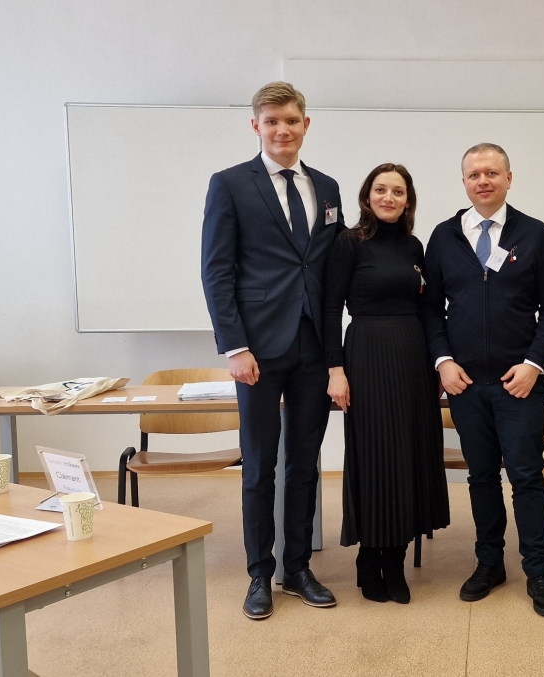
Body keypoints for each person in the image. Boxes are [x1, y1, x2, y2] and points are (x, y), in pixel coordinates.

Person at [201, 81, 345, 620]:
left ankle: (298, 568)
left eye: (291, 120)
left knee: (304, 464)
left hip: (312, 345)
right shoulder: (230, 184)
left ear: (306, 125)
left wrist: (335, 358)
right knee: (260, 466)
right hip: (257, 350)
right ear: (256, 126)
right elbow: (217, 271)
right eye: (272, 121)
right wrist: (234, 346)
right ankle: (259, 573)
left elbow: (327, 273)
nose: (282, 130)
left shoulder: (327, 188)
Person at [418, 143, 544, 617]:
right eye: (474, 174)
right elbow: (430, 309)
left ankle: (538, 571)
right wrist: (443, 361)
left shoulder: (534, 234)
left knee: (526, 477)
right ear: (463, 181)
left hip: (518, 383)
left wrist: (534, 364)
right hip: (465, 385)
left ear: (508, 178)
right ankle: (489, 564)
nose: (483, 181)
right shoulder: (444, 236)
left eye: (492, 173)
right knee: (481, 477)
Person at [323, 164, 450, 604]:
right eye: (381, 190)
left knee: (409, 456)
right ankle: (368, 556)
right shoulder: (348, 242)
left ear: (408, 199)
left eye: (398, 191)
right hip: (366, 356)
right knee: (375, 457)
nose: (389, 198)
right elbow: (329, 310)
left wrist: (437, 364)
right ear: (367, 196)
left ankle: (395, 561)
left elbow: (430, 307)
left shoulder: (415, 245)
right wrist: (335, 370)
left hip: (412, 358)